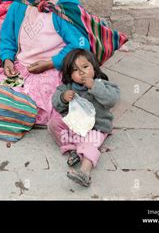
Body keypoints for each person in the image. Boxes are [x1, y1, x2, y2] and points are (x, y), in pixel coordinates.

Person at [51, 49, 120, 187]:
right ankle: (73, 150)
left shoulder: (102, 84)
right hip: (76, 126)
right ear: (70, 74)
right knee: (53, 123)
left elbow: (112, 100)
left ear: (94, 67)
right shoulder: (67, 87)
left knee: (91, 143)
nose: (82, 72)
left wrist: (94, 86)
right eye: (76, 70)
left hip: (96, 127)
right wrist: (63, 98)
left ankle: (85, 172)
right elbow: (56, 103)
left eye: (85, 67)